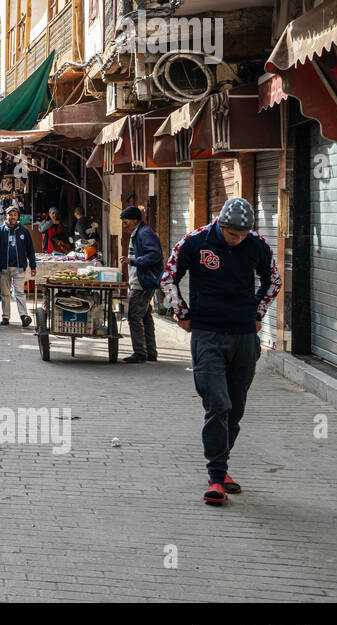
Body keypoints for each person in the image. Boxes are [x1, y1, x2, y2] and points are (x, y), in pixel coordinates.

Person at [161, 198, 281, 506]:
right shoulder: (194, 241)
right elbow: (168, 278)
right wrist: (181, 311)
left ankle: (222, 467)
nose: (238, 239)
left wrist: (258, 313)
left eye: (243, 234)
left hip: (244, 336)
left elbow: (273, 281)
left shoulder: (257, 244)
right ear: (220, 225)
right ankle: (215, 477)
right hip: (207, 333)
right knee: (218, 402)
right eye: (232, 234)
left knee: (236, 408)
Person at [120, 204, 163, 364]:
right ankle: (150, 352)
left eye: (126, 222)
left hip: (143, 283)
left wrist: (133, 261)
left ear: (135, 220)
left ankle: (140, 352)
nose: (125, 226)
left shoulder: (144, 233)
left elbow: (155, 255)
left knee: (134, 317)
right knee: (145, 318)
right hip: (140, 281)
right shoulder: (139, 233)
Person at [0, 205, 35, 327]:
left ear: (18, 216)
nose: (12, 217)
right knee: (5, 293)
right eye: (10, 215)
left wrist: (33, 266)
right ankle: (5, 317)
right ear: (6, 216)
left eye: (15, 215)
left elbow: (30, 250)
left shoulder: (24, 231)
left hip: (19, 268)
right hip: (3, 268)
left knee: (19, 292)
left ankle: (24, 316)